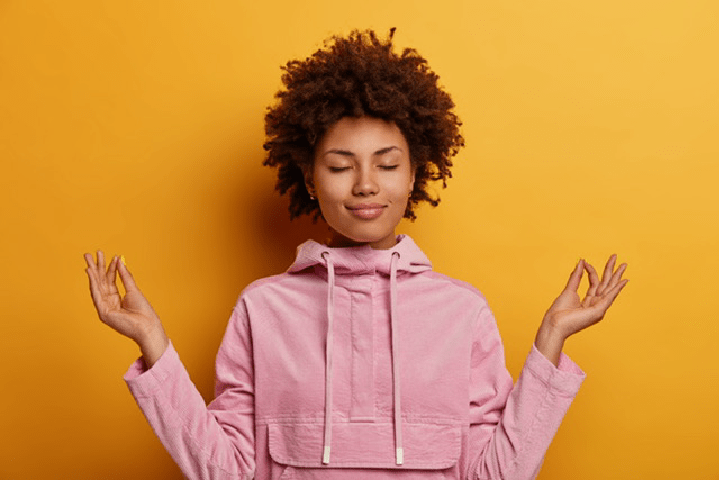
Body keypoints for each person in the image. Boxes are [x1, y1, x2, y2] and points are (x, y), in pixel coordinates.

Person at [83, 29, 628, 480]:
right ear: (310, 179)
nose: (366, 185)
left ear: (416, 174)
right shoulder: (263, 308)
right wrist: (153, 345)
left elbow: (495, 475)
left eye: (387, 165)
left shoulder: (463, 313)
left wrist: (549, 343)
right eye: (341, 166)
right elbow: (225, 471)